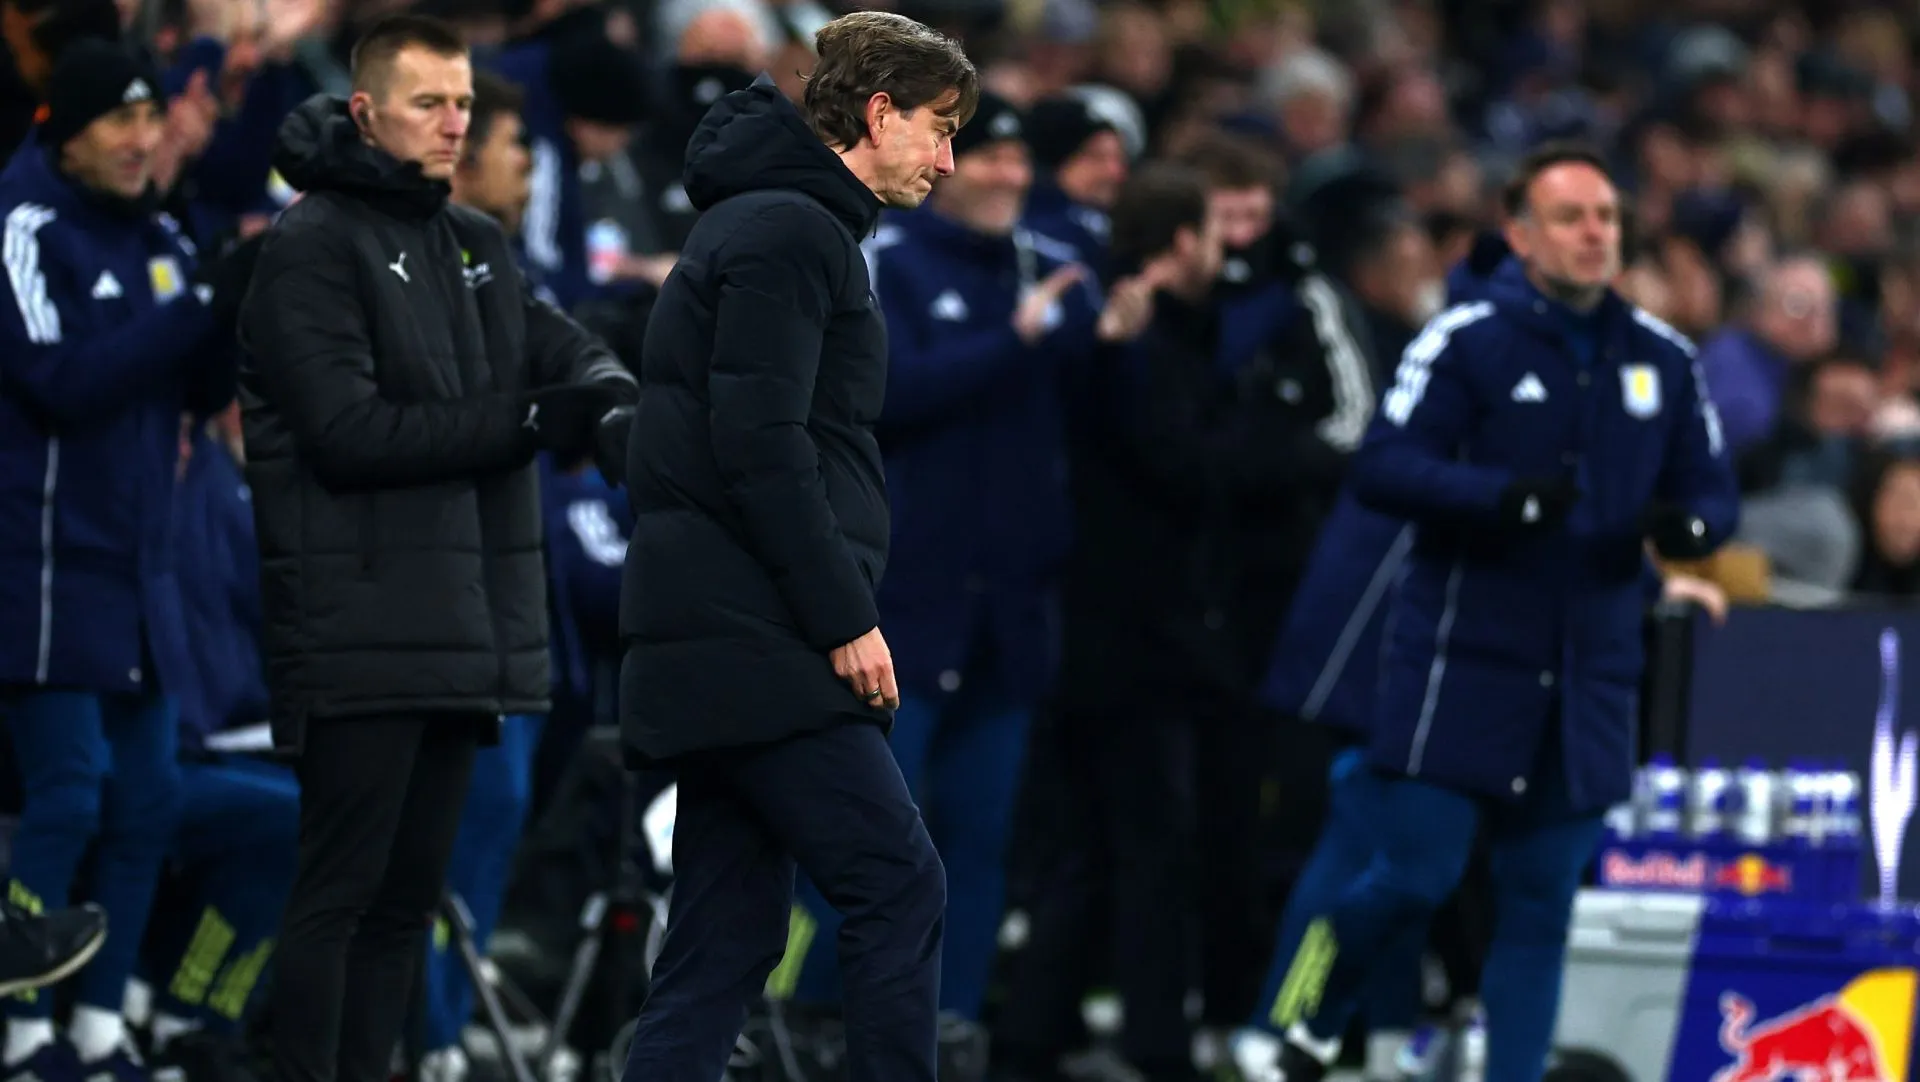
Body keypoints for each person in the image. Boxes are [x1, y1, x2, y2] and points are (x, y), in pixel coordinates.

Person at [1267, 142, 1741, 1082]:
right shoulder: (1466, 339)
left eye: (1607, 216)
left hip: (1590, 677)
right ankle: (1303, 1009)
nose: (1595, 233)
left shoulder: (1663, 359)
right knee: (1412, 878)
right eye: (1571, 217)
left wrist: (1690, 527)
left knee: (1541, 908)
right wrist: (1497, 497)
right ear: (1520, 234)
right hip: (1465, 663)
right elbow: (1384, 466)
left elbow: (1715, 491)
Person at [234, 15, 637, 1082]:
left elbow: (563, 348)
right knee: (340, 894)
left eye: (463, 103)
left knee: (409, 904)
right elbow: (346, 432)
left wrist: (608, 402)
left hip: (459, 624)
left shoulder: (473, 242)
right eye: (429, 103)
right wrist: (529, 422)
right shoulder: (312, 243)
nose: (455, 123)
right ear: (365, 112)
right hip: (356, 621)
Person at [615, 12, 978, 1082]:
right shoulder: (792, 232)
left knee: (723, 939)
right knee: (898, 882)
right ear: (878, 116)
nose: (948, 159)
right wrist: (843, 617)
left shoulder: (783, 224)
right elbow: (761, 449)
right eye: (939, 127)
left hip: (723, 630)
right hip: (758, 635)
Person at [777, 90, 1099, 1050]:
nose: (1003, 175)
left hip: (1009, 613)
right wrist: (1014, 342)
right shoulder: (889, 264)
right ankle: (787, 1017)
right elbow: (883, 393)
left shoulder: (1050, 271)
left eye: (1014, 160)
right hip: (901, 607)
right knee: (860, 838)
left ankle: (941, 1033)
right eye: (981, 153)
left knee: (976, 840)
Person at [0, 39, 251, 1082]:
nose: (144, 142)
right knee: (69, 792)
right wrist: (197, 307)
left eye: (152, 122)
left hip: (142, 565)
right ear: (62, 129)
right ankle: (20, 1032)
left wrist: (230, 312)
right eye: (119, 123)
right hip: (49, 563)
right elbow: (57, 377)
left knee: (145, 800)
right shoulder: (23, 226)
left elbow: (190, 393)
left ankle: (99, 1029)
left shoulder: (156, 230)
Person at [415, 68, 549, 1082]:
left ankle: (447, 1037)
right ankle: (416, 1042)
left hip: (512, 603)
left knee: (490, 824)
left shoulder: (511, 267)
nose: (529, 168)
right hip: (435, 604)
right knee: (438, 835)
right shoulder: (408, 270)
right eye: (516, 146)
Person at [143, 406, 293, 1082]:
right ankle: (190, 1014)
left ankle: (202, 1014)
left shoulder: (219, 482)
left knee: (333, 806)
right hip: (138, 749)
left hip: (213, 737)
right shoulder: (119, 479)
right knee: (291, 820)